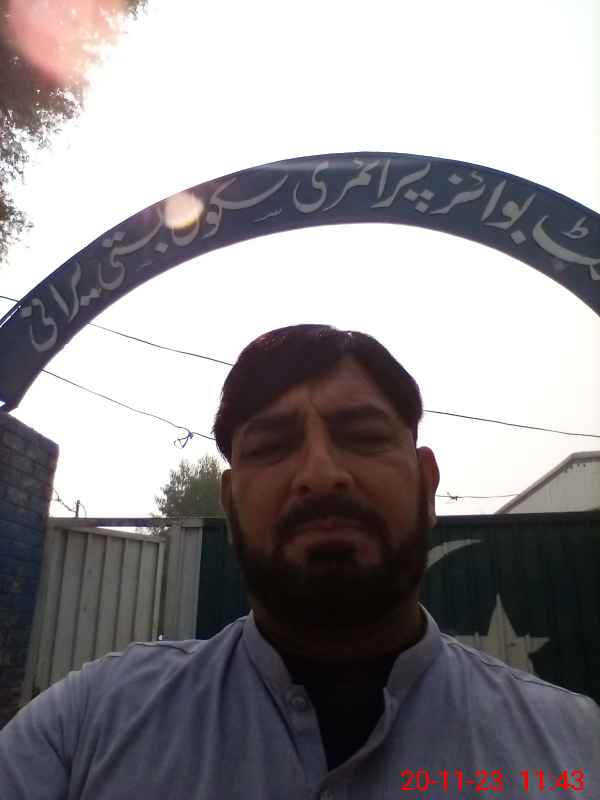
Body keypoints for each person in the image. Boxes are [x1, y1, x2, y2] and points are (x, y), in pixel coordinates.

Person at [1, 324, 598, 799]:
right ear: (230, 504)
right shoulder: (86, 729)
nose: (320, 474)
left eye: (362, 436)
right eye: (273, 445)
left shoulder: (576, 749)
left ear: (427, 484)